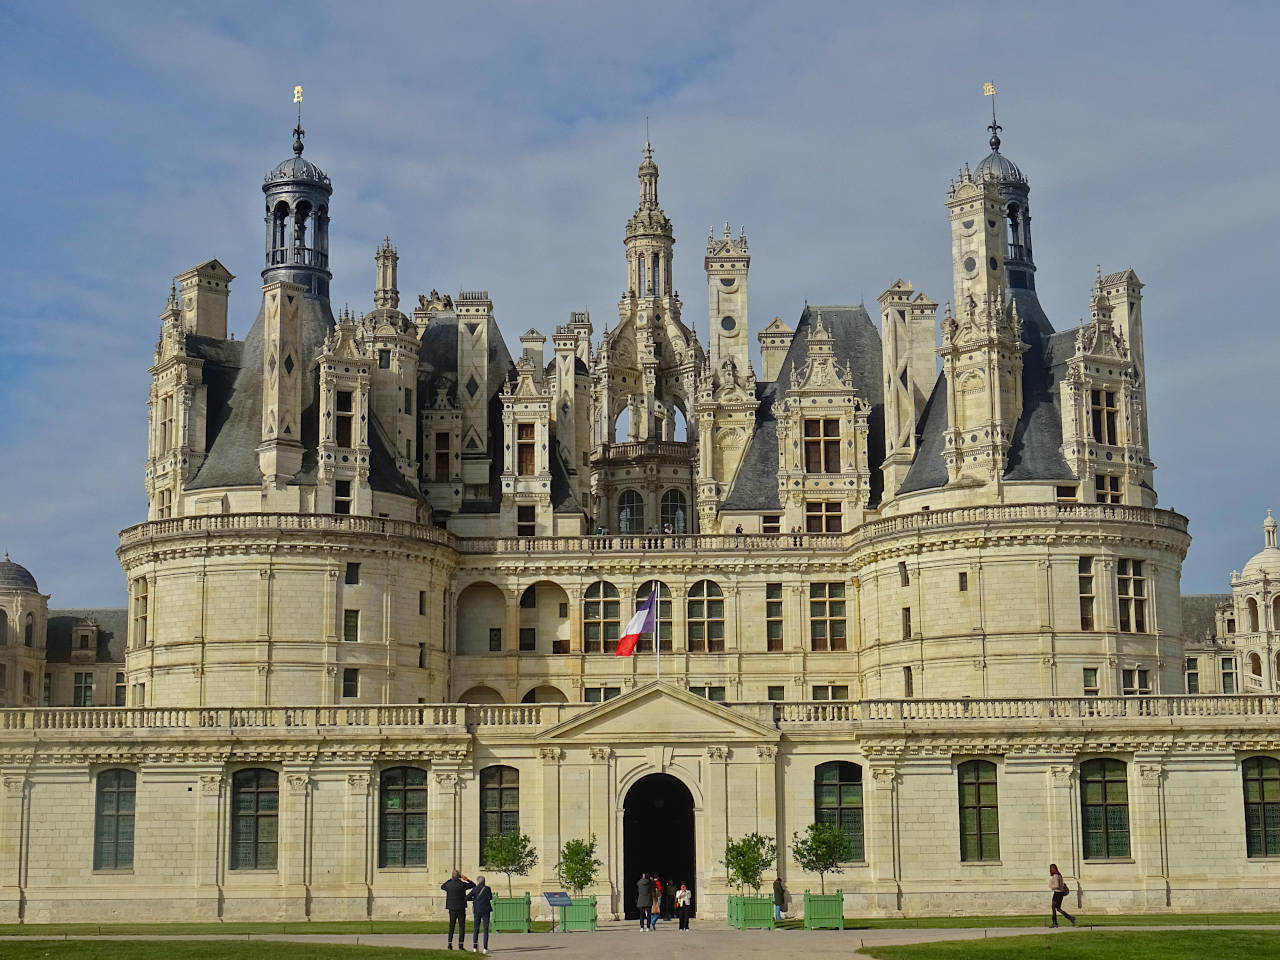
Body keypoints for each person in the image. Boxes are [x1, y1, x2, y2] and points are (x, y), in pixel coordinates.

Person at [441, 869, 474, 950]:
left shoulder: (448, 885)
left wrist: (450, 879)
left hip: (451, 908)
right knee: (461, 927)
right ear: (459, 876)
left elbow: (442, 886)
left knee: (451, 926)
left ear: (452, 876)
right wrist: (466, 879)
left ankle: (449, 944)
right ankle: (461, 945)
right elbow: (473, 885)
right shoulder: (462, 884)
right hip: (461, 907)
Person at [468, 874, 493, 954]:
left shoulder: (474, 889)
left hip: (477, 910)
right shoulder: (488, 889)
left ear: (478, 882)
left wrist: (474, 899)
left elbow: (467, 897)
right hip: (486, 910)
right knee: (485, 929)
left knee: (476, 929)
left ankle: (475, 947)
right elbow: (490, 897)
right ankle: (485, 948)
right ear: (484, 881)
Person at [1049, 863, 1076, 927]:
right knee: (1058, 908)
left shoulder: (1055, 876)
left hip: (1057, 893)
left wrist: (1051, 886)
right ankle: (1071, 918)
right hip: (1060, 893)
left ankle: (1055, 923)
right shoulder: (1059, 875)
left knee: (1053, 908)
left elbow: (1057, 885)